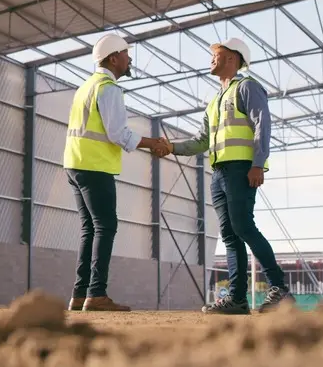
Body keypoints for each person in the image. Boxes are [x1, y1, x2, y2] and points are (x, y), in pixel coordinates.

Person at [156, 38, 294, 314]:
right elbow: (201, 140)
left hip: (241, 169)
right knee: (230, 235)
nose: (211, 59)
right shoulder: (215, 100)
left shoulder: (247, 87)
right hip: (219, 173)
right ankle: (238, 299)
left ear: (232, 58)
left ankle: (280, 289)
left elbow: (262, 124)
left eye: (216, 55)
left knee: (244, 227)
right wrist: (172, 147)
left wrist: (258, 164)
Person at [63, 33, 169, 312]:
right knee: (105, 227)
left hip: (75, 164)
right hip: (95, 166)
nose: (129, 58)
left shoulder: (86, 86)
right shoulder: (108, 87)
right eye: (125, 53)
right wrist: (152, 143)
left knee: (90, 229)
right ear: (113, 58)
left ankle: (78, 295)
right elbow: (117, 133)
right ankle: (96, 294)